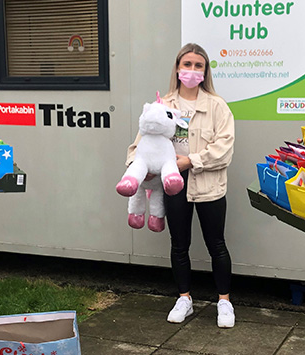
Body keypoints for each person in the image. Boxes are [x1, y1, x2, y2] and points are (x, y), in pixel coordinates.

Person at [125, 43, 236, 328]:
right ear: (177, 68)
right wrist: (138, 167)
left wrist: (192, 160)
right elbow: (141, 144)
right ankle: (184, 298)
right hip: (173, 184)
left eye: (198, 66)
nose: (191, 70)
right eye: (187, 64)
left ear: (205, 71)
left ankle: (224, 302)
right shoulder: (162, 106)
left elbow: (224, 149)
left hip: (208, 183)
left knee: (217, 245)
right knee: (179, 245)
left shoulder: (217, 106)